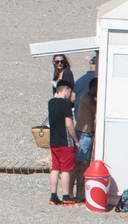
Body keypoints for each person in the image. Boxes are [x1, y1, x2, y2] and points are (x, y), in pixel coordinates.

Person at [48, 76, 78, 205]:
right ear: (65, 89)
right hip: (65, 142)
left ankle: (53, 195)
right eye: (70, 92)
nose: (70, 95)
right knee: (66, 169)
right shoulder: (65, 104)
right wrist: (76, 140)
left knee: (55, 168)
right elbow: (69, 124)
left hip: (53, 141)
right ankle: (66, 195)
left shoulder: (51, 102)